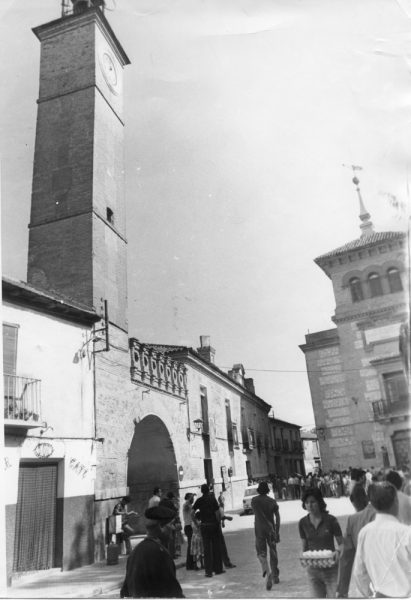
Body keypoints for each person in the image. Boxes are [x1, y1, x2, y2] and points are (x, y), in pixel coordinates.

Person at [350, 482, 411, 598]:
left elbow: (359, 573)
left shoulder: (365, 532)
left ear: (372, 505)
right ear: (396, 502)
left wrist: (369, 594)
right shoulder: (406, 533)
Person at [120, 505, 184, 598]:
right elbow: (173, 593)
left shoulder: (135, 552)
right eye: (171, 524)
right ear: (161, 527)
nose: (173, 528)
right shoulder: (161, 554)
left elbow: (125, 592)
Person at [299, 487, 343, 598]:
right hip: (313, 571)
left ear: (319, 502)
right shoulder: (302, 523)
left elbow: (342, 544)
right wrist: (303, 558)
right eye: (307, 502)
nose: (310, 505)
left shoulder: (331, 520)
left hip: (331, 570)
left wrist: (338, 552)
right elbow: (304, 547)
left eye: (313, 502)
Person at [336, 494, 376, 597]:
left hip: (363, 575)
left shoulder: (353, 519)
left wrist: (342, 590)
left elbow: (346, 558)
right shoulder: (385, 514)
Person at [251, 481, 281, 590]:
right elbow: (277, 517)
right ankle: (275, 575)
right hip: (270, 529)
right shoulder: (272, 501)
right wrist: (277, 531)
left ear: (259, 490)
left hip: (259, 529)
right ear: (268, 490)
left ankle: (267, 571)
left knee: (261, 553)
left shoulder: (254, 501)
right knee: (273, 552)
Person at [192, 483, 223, 577]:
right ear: (209, 490)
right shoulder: (212, 499)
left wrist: (197, 523)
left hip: (204, 526)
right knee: (216, 548)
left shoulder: (199, 500)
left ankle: (208, 571)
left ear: (201, 491)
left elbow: (191, 513)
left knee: (206, 549)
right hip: (213, 525)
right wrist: (219, 523)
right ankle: (218, 569)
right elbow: (217, 513)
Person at [182, 493, 196, 570]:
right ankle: (189, 565)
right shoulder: (185, 505)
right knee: (190, 546)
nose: (192, 499)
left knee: (192, 545)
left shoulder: (189, 505)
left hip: (191, 526)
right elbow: (187, 504)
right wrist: (191, 497)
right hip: (188, 527)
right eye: (191, 498)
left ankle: (191, 564)